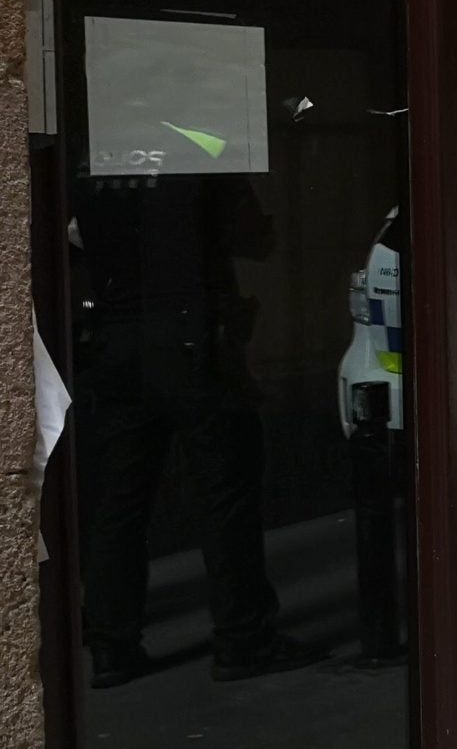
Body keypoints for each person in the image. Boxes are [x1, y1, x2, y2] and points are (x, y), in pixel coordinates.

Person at [71, 174, 320, 687]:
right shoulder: (196, 152)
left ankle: (111, 646)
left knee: (119, 501)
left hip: (115, 338)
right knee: (225, 491)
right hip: (190, 338)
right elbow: (253, 238)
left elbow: (76, 237)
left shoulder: (97, 163)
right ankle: (243, 639)